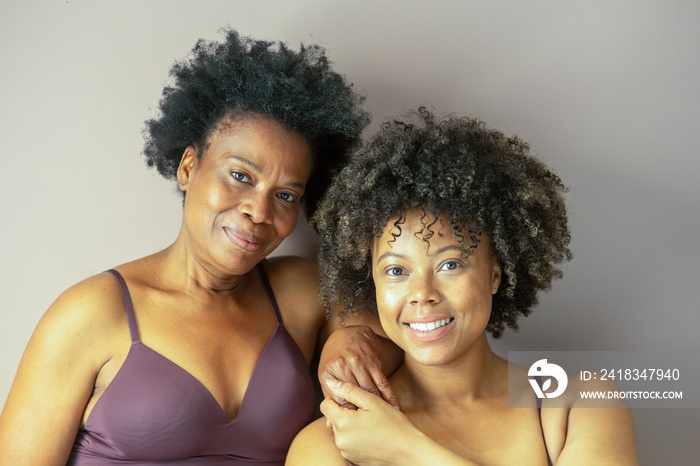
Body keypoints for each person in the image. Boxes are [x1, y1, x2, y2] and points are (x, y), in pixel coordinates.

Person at [0, 29, 400, 465]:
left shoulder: (300, 291)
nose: (259, 211)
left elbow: (402, 343)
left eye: (285, 195)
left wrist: (353, 340)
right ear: (188, 168)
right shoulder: (91, 314)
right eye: (241, 176)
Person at [287, 108, 639, 465]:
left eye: (450, 264)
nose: (422, 292)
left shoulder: (575, 402)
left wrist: (409, 451)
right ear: (372, 284)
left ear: (495, 273)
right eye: (395, 271)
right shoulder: (333, 443)